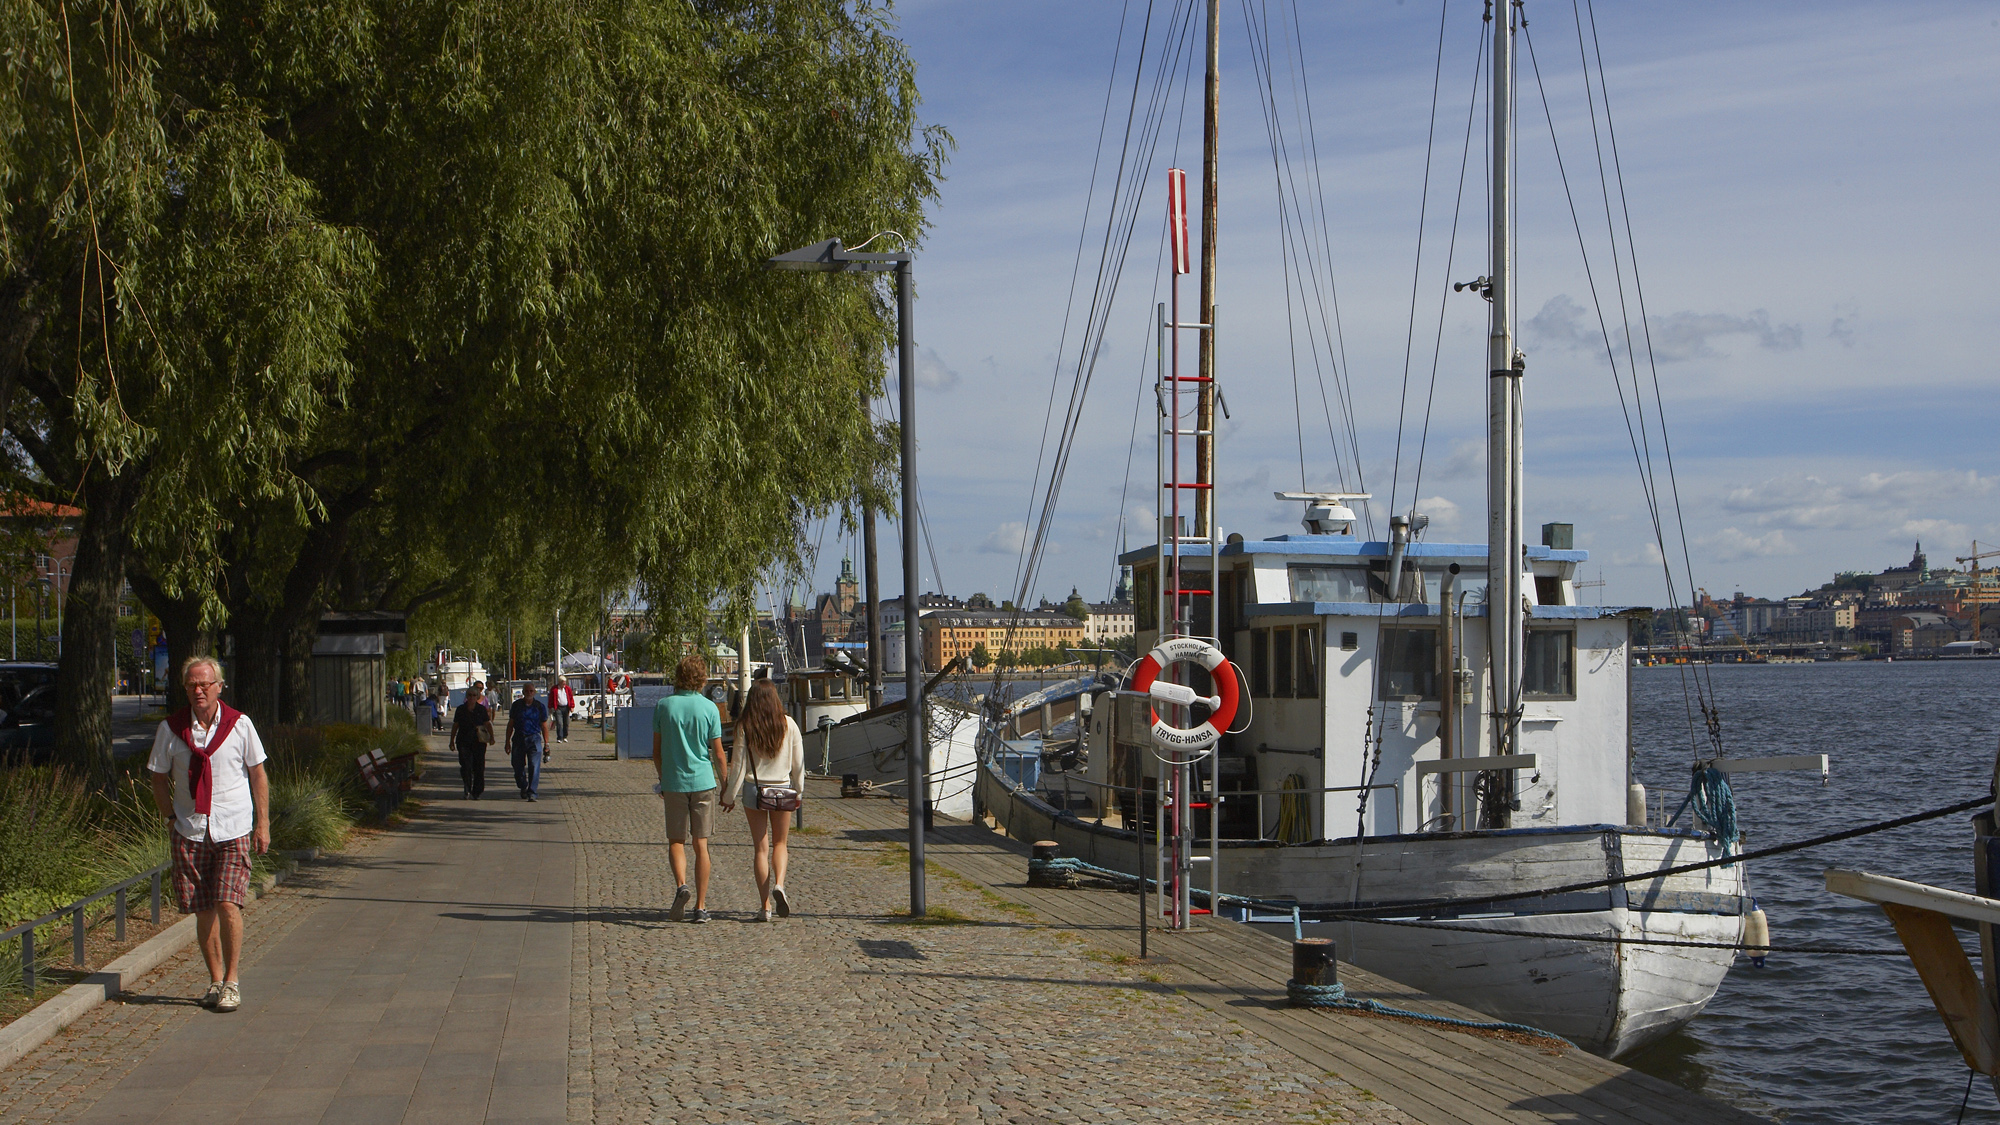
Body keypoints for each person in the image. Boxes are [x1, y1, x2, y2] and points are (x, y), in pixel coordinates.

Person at [146, 655, 269, 1014]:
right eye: (192, 685)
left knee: (228, 904)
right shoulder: (171, 729)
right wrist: (169, 816)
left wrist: (263, 824)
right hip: (191, 829)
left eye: (205, 684)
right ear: (185, 689)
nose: (199, 691)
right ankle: (215, 980)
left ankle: (232, 981)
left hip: (232, 827)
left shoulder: (239, 725)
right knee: (203, 911)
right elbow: (157, 776)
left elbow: (258, 774)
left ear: (219, 687)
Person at [721, 679, 804, 922]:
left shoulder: (744, 726)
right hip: (782, 789)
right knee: (781, 843)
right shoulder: (789, 725)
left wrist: (728, 797)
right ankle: (779, 883)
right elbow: (798, 765)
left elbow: (738, 767)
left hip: (754, 790)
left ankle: (765, 906)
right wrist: (798, 792)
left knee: (760, 847)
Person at [654, 653, 727, 923]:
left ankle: (681, 885)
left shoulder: (664, 706)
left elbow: (656, 752)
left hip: (674, 782)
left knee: (676, 840)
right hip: (703, 782)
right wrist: (726, 783)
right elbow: (718, 753)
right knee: (701, 844)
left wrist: (663, 779)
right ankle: (700, 906)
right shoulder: (709, 708)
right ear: (702, 678)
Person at [506, 682, 552, 801]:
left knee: (534, 766)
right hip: (519, 738)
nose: (529, 693)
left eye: (531, 691)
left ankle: (532, 792)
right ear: (523, 692)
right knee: (517, 766)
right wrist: (507, 742)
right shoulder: (516, 705)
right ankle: (523, 785)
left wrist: (547, 744)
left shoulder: (539, 706)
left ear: (534, 692)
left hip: (534, 738)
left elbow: (544, 726)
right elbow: (510, 724)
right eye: (527, 691)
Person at [449, 680, 494, 799]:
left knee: (479, 766)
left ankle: (477, 791)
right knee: (465, 765)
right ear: (466, 696)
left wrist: (492, 737)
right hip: (463, 740)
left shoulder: (481, 710)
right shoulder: (460, 710)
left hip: (479, 741)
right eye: (470, 695)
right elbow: (455, 725)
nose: (472, 697)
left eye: (474, 695)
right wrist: (451, 741)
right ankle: (467, 786)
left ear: (478, 696)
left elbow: (487, 724)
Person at [548, 676, 575, 743]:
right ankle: (559, 737)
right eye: (563, 683)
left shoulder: (568, 689)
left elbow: (571, 698)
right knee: (559, 723)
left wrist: (572, 706)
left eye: (565, 683)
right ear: (559, 682)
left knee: (566, 723)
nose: (564, 684)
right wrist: (550, 707)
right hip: (558, 708)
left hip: (566, 707)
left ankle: (565, 736)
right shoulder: (554, 689)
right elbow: (551, 699)